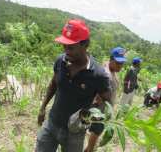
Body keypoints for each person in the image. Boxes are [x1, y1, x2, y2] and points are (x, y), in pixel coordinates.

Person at [35, 19, 112, 152]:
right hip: (52, 123)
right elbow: (53, 84)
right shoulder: (60, 61)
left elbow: (106, 99)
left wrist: (91, 114)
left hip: (75, 133)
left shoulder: (98, 75)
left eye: (71, 47)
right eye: (64, 46)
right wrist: (43, 107)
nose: (66, 51)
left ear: (85, 45)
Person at [84, 47, 127, 152]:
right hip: (100, 112)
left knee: (94, 138)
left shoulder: (111, 69)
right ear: (111, 60)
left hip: (104, 111)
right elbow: (98, 95)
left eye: (122, 63)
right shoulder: (106, 75)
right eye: (118, 63)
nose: (120, 66)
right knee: (94, 137)